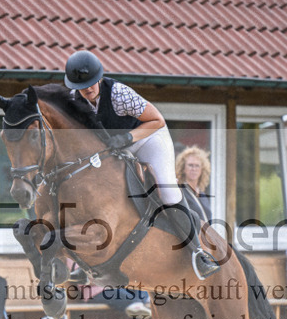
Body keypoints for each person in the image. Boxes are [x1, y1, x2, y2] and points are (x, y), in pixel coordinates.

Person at [64, 50, 220, 280]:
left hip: (148, 139)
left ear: (100, 77)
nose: (87, 89)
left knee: (167, 190)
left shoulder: (118, 94)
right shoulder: (74, 101)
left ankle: (198, 252)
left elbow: (157, 120)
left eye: (91, 83)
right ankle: (87, 263)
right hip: (116, 148)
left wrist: (128, 138)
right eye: (82, 86)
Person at [175, 145, 213, 220]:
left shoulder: (203, 195)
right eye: (190, 165)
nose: (194, 169)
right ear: (183, 168)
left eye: (197, 166)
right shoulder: (180, 192)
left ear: (202, 169)